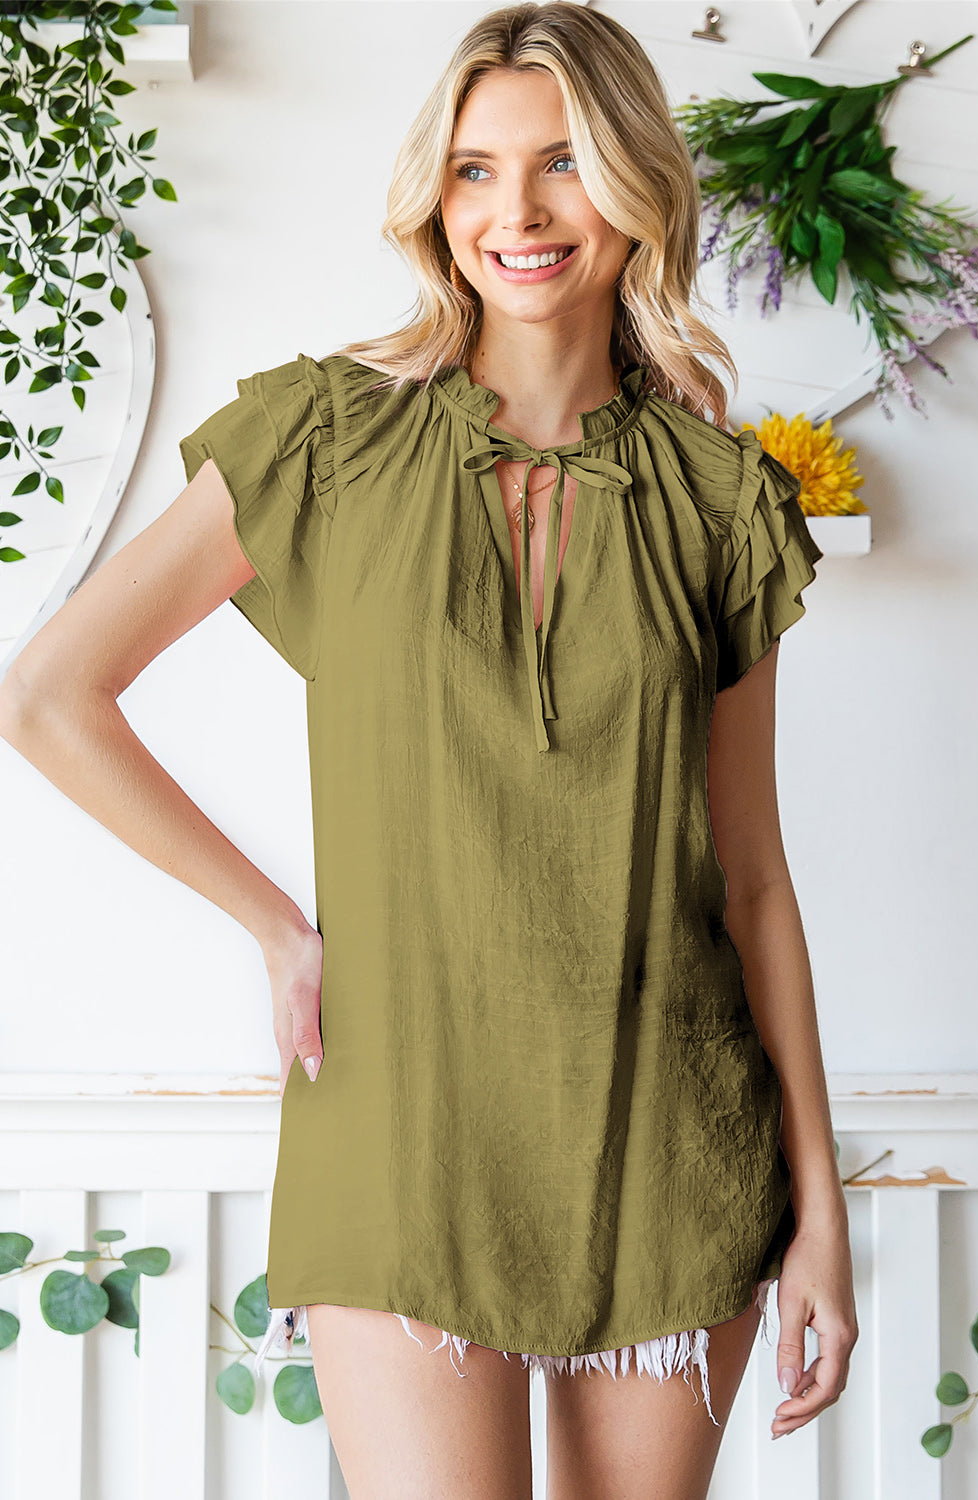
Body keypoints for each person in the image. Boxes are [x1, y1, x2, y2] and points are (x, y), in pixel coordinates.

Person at [0, 3, 858, 1495]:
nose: (515, 212)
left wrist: (822, 1217)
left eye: (562, 163)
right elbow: (50, 696)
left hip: (667, 1137)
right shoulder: (324, 441)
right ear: (434, 198)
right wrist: (277, 928)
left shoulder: (722, 499)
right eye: (475, 169)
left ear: (638, 187)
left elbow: (754, 885)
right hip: (401, 1127)